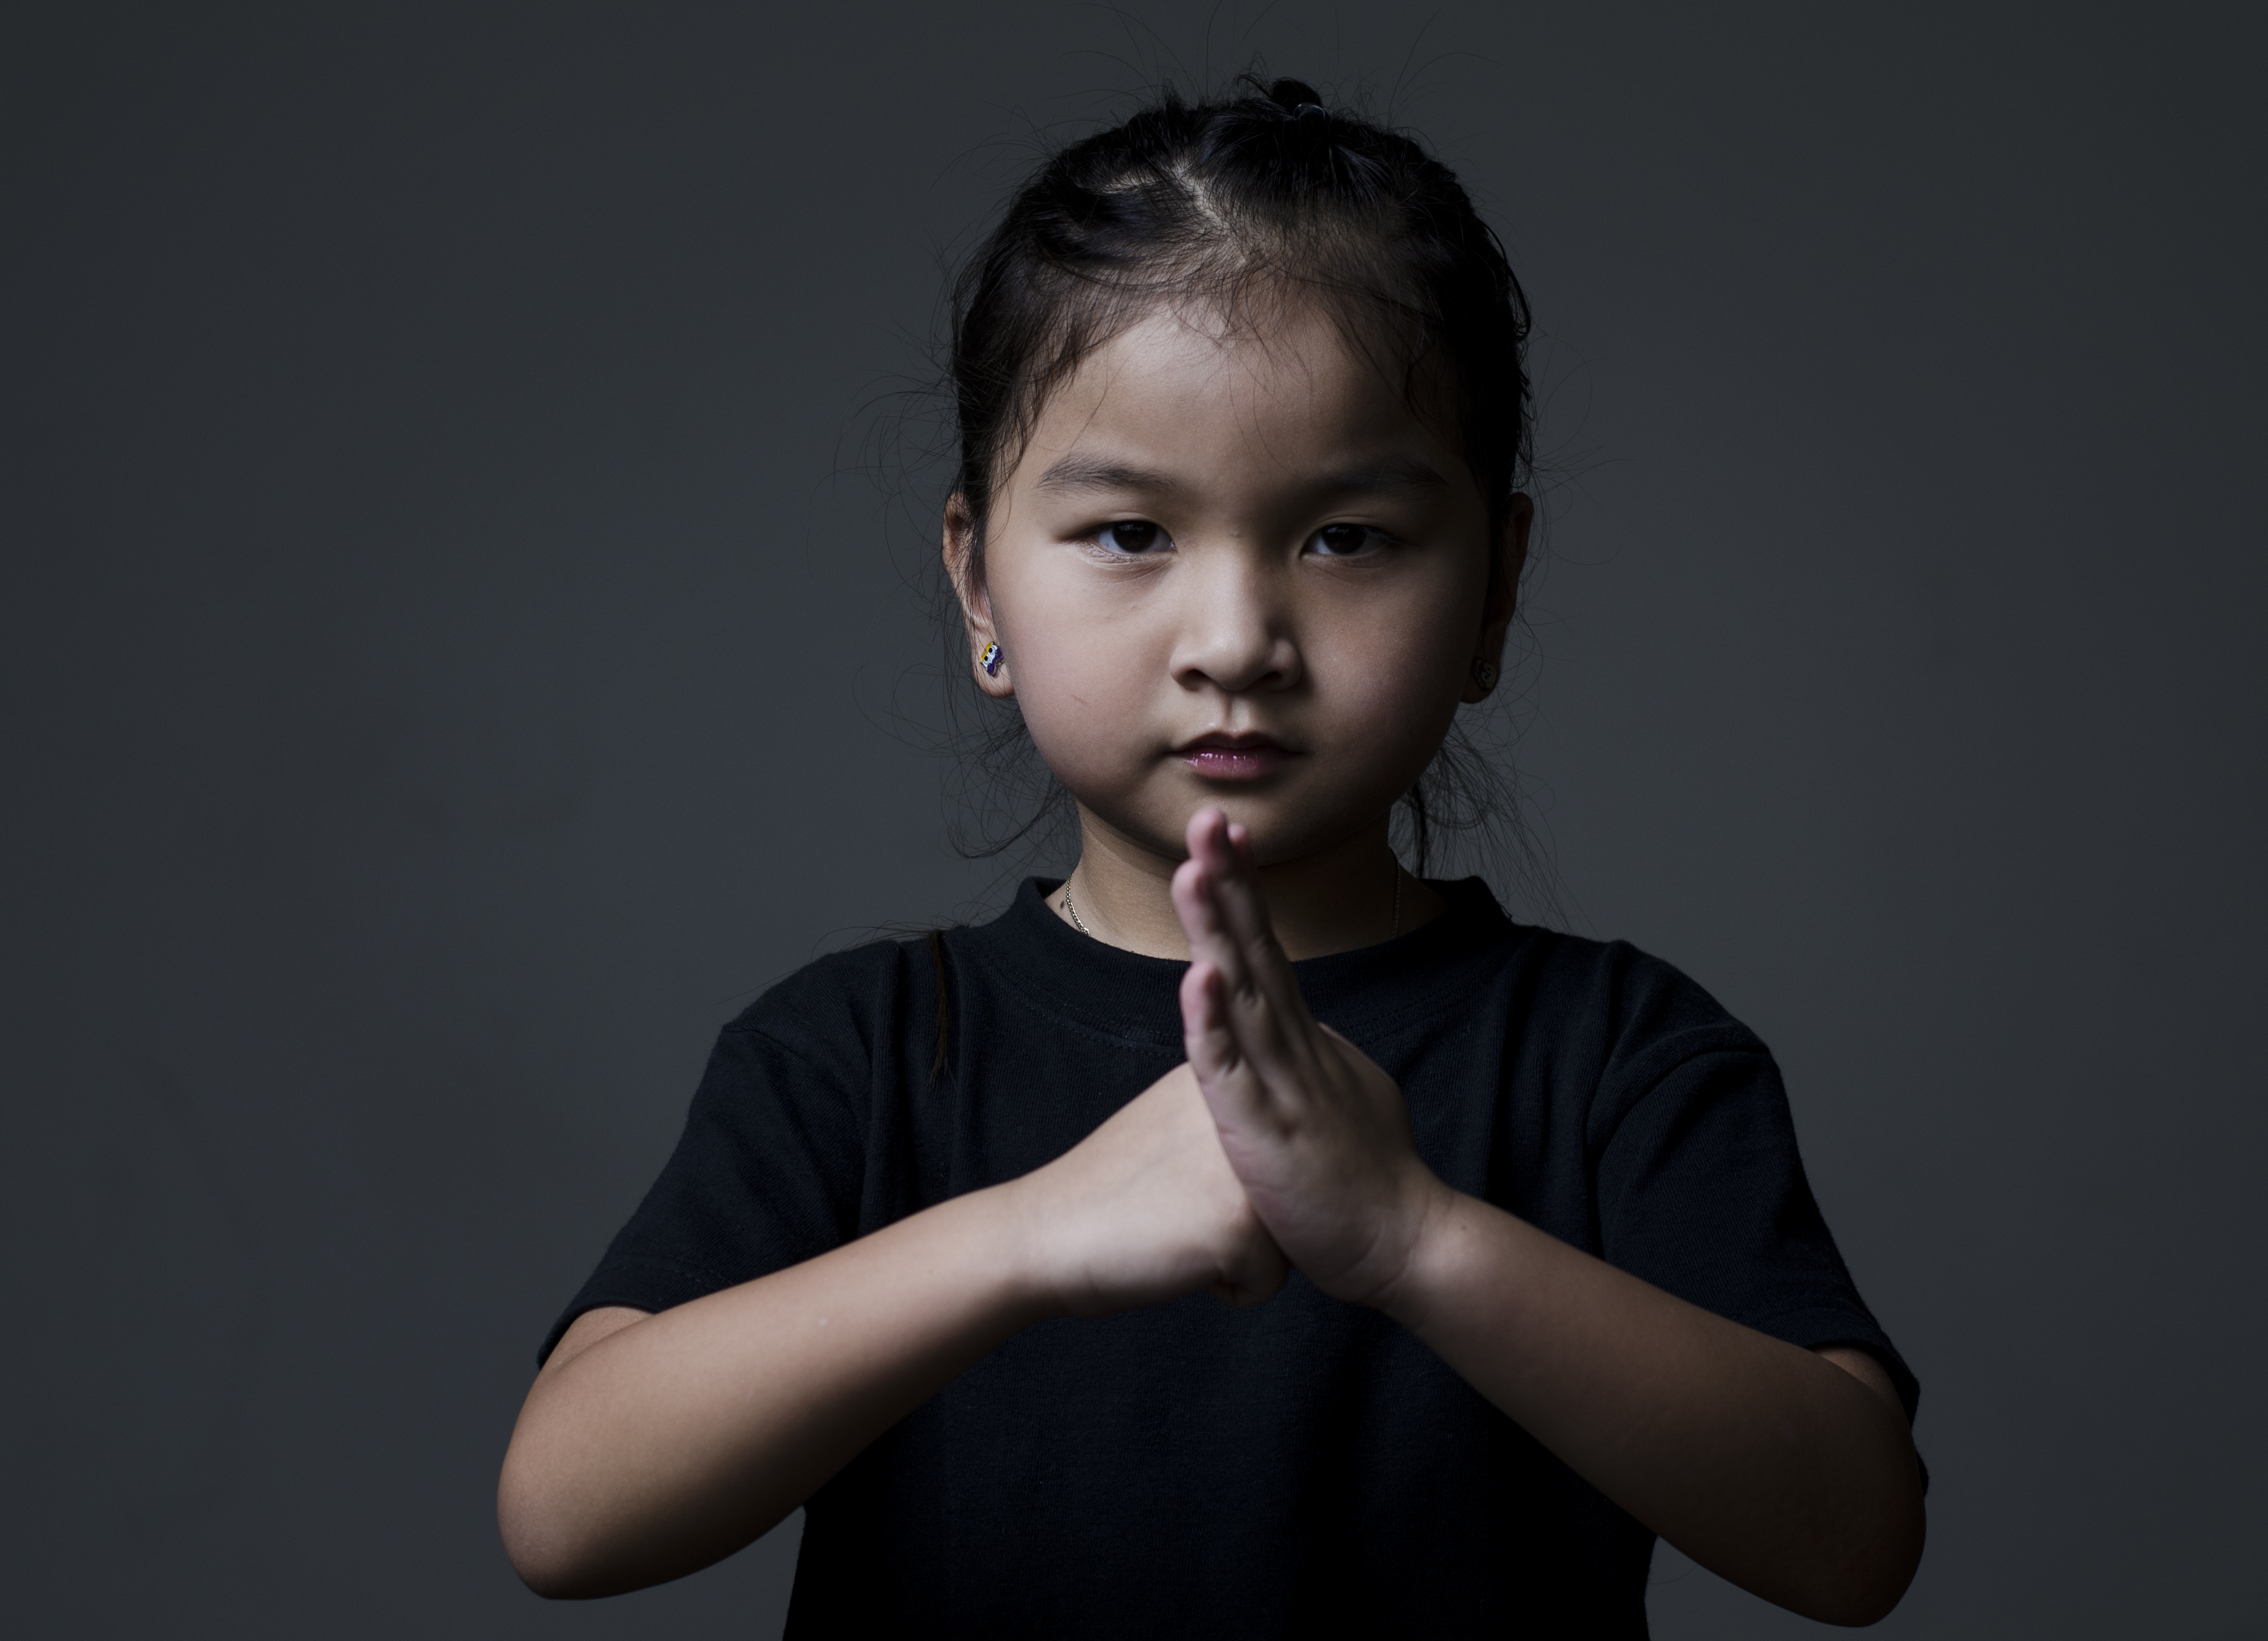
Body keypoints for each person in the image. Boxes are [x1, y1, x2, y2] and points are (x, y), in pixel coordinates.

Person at [497, 77, 1925, 1636]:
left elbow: (1852, 1537)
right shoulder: (860, 1056)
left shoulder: (1617, 1060)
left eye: (1347, 537)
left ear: (1497, 589)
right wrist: (1035, 1230)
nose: (1236, 639)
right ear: (979, 584)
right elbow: (567, 1510)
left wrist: (1413, 1234)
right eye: (1131, 534)